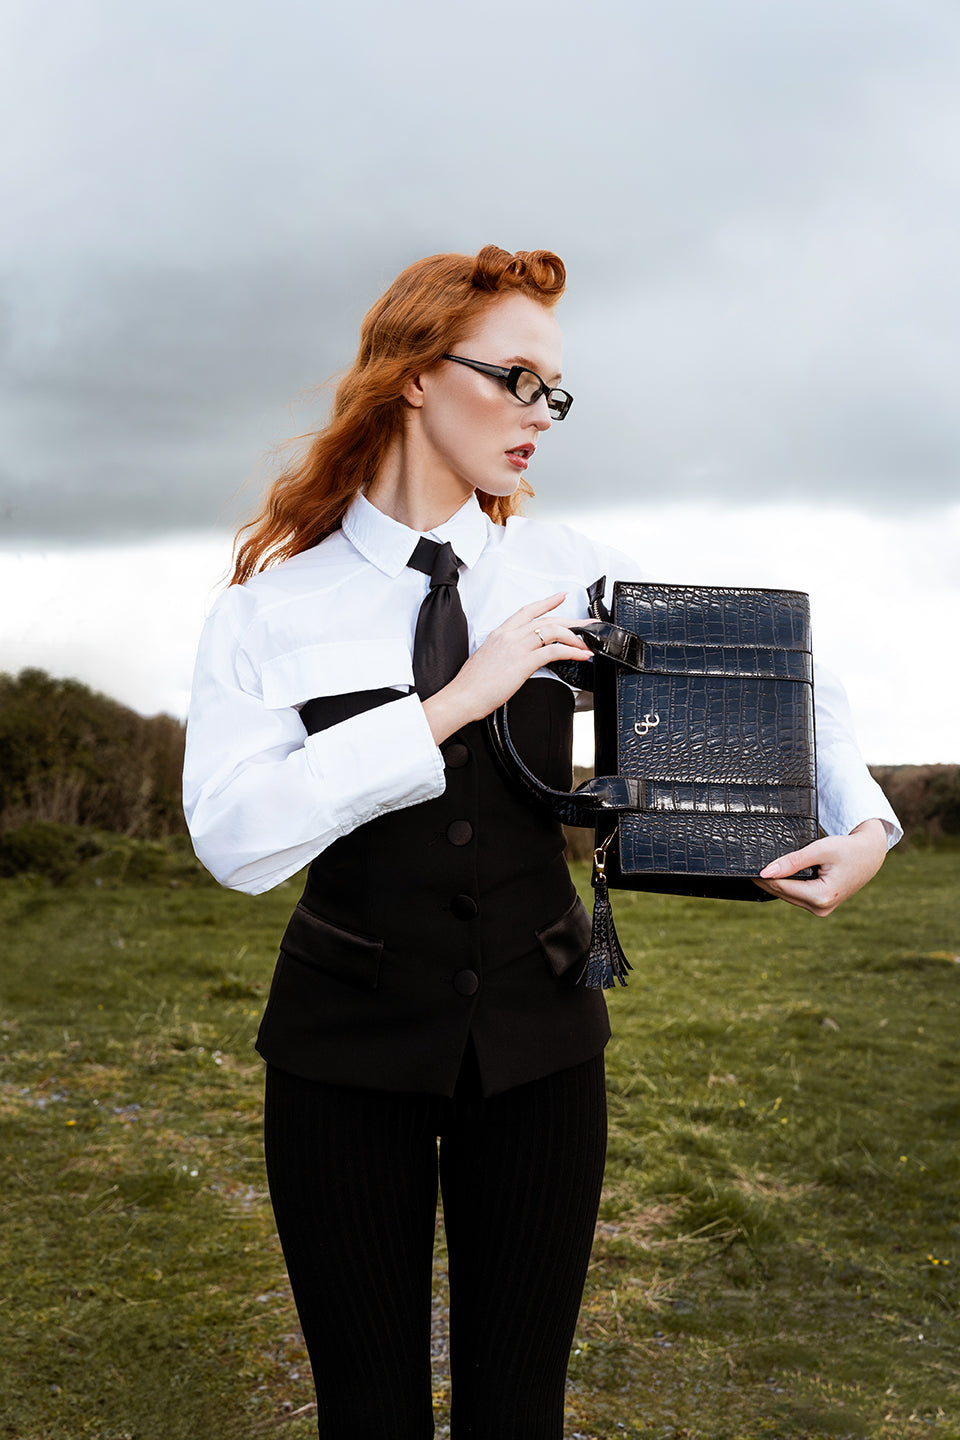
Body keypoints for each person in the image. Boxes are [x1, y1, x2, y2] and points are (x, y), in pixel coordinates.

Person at [182, 244, 901, 1439]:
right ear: (415, 374)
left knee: (519, 1411)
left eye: (551, 391)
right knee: (369, 1414)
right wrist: (454, 702)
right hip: (341, 1054)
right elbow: (235, 840)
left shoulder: (576, 574)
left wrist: (865, 819)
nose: (540, 416)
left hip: (545, 1043)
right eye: (515, 378)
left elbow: (760, 683)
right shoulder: (271, 608)